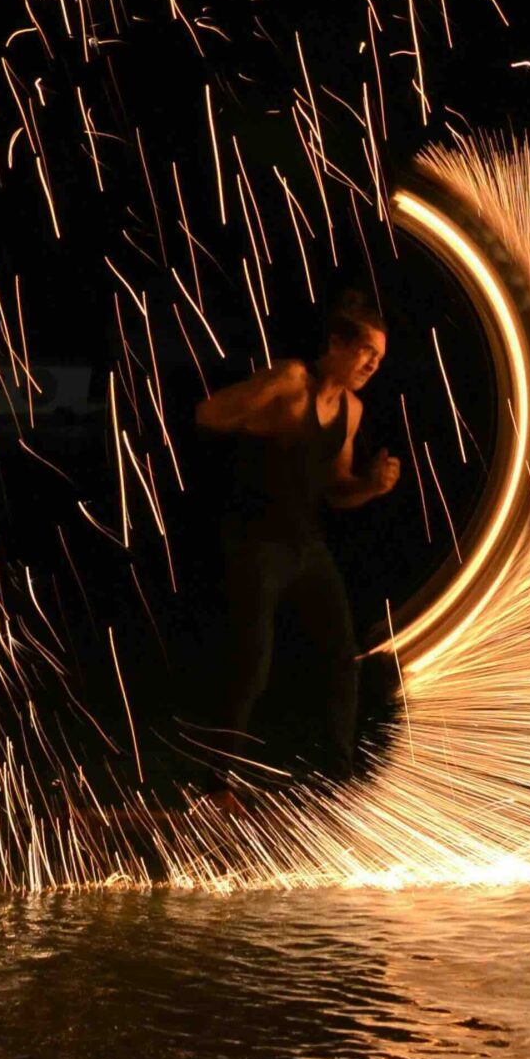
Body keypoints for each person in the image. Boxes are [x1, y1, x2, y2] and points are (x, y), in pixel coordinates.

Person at [192, 288, 402, 776]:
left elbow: (336, 491)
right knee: (251, 666)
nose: (372, 365)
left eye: (379, 357)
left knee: (340, 658)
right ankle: (215, 779)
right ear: (336, 344)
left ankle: (339, 774)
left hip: (305, 546)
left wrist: (370, 487)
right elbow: (207, 415)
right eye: (365, 351)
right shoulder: (289, 380)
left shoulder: (351, 411)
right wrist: (250, 431)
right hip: (254, 542)